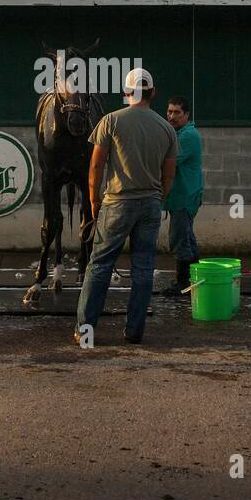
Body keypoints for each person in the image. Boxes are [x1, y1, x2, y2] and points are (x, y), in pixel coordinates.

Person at [77, 68, 177, 344]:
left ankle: (85, 331)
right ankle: (134, 332)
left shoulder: (111, 121)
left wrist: (95, 200)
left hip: (118, 202)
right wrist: (160, 197)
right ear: (152, 93)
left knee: (99, 266)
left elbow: (96, 165)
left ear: (126, 93)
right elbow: (169, 174)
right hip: (151, 205)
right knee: (144, 269)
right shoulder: (167, 128)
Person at [161, 95, 203, 295]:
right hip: (183, 195)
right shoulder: (178, 133)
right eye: (169, 111)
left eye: (177, 112)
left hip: (184, 196)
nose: (172, 116)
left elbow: (169, 162)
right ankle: (196, 280)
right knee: (187, 237)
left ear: (186, 114)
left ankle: (183, 283)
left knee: (179, 238)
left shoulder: (188, 136)